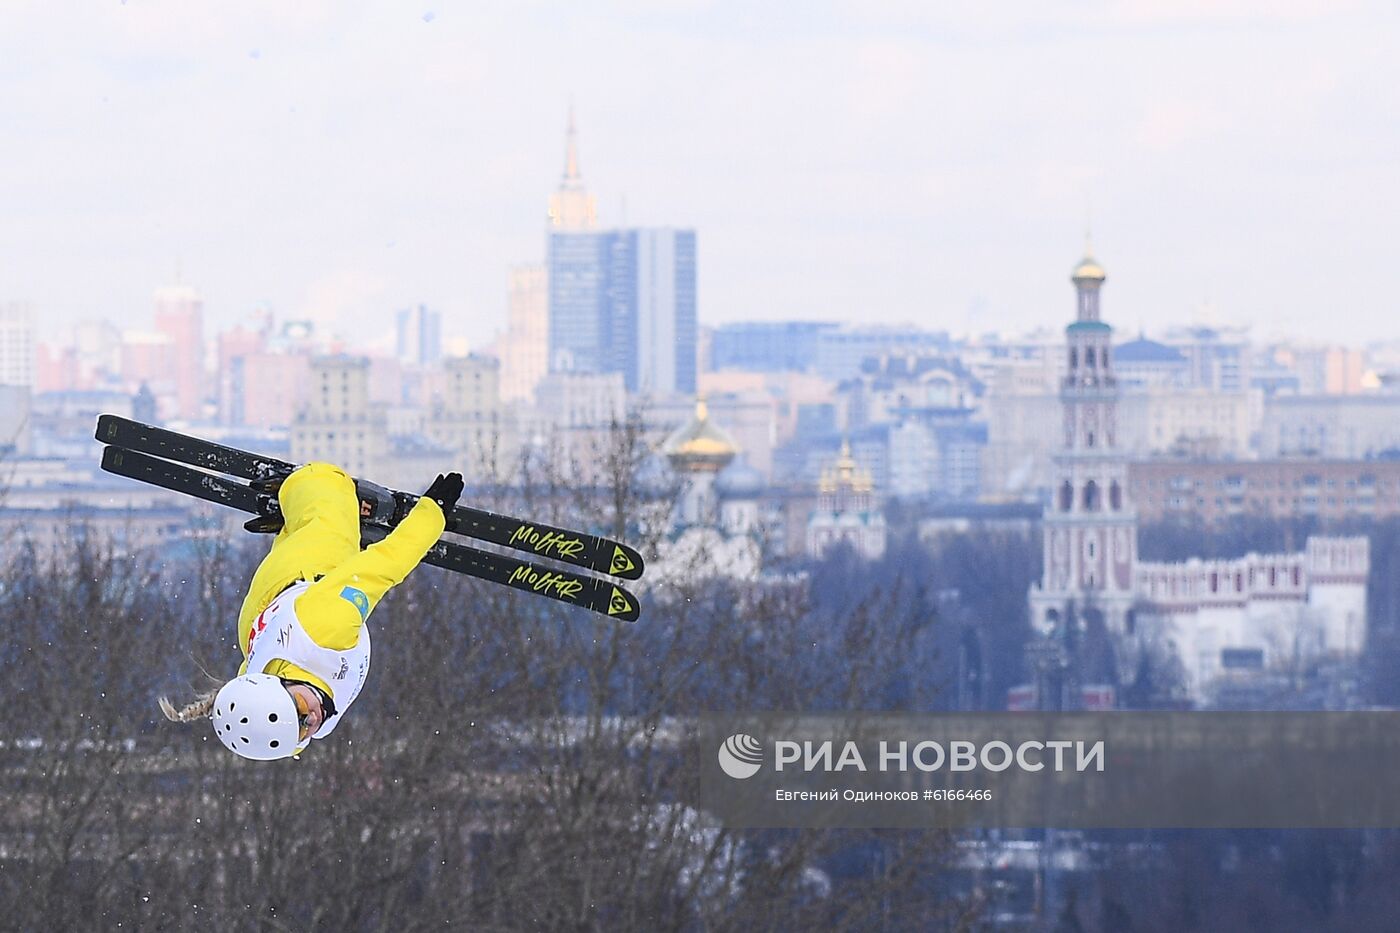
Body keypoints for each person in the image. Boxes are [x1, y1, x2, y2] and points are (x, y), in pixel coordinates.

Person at [159, 462, 463, 761]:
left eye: (302, 711)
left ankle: (302, 493)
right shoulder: (287, 731)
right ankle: (295, 518)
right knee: (310, 538)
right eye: (303, 730)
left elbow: (385, 566)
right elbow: (268, 707)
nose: (312, 719)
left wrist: (431, 513)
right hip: (258, 627)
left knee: (329, 493)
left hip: (297, 575)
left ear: (280, 686)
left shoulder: (324, 626)